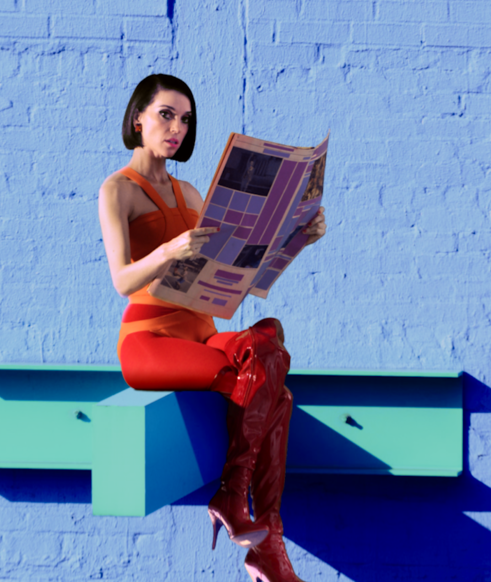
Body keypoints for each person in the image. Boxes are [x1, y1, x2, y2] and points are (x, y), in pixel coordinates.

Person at [97, 74, 327, 582]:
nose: (176, 127)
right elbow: (121, 279)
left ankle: (254, 524)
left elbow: (235, 276)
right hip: (150, 338)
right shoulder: (118, 190)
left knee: (268, 346)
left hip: (201, 329)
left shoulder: (192, 191)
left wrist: (296, 240)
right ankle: (253, 522)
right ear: (138, 118)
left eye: (185, 119)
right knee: (272, 389)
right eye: (165, 114)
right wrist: (169, 251)